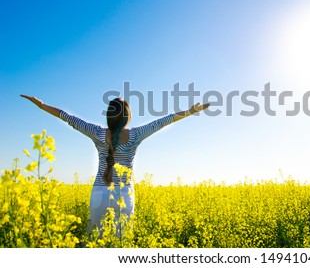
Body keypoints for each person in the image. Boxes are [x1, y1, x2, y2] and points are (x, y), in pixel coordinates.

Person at [20, 94, 210, 233]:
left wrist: (42, 105)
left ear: (109, 116)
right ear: (127, 116)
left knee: (94, 240)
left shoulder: (96, 133)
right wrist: (192, 111)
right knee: (122, 243)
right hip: (124, 194)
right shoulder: (135, 135)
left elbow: (69, 118)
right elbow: (164, 121)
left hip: (99, 193)